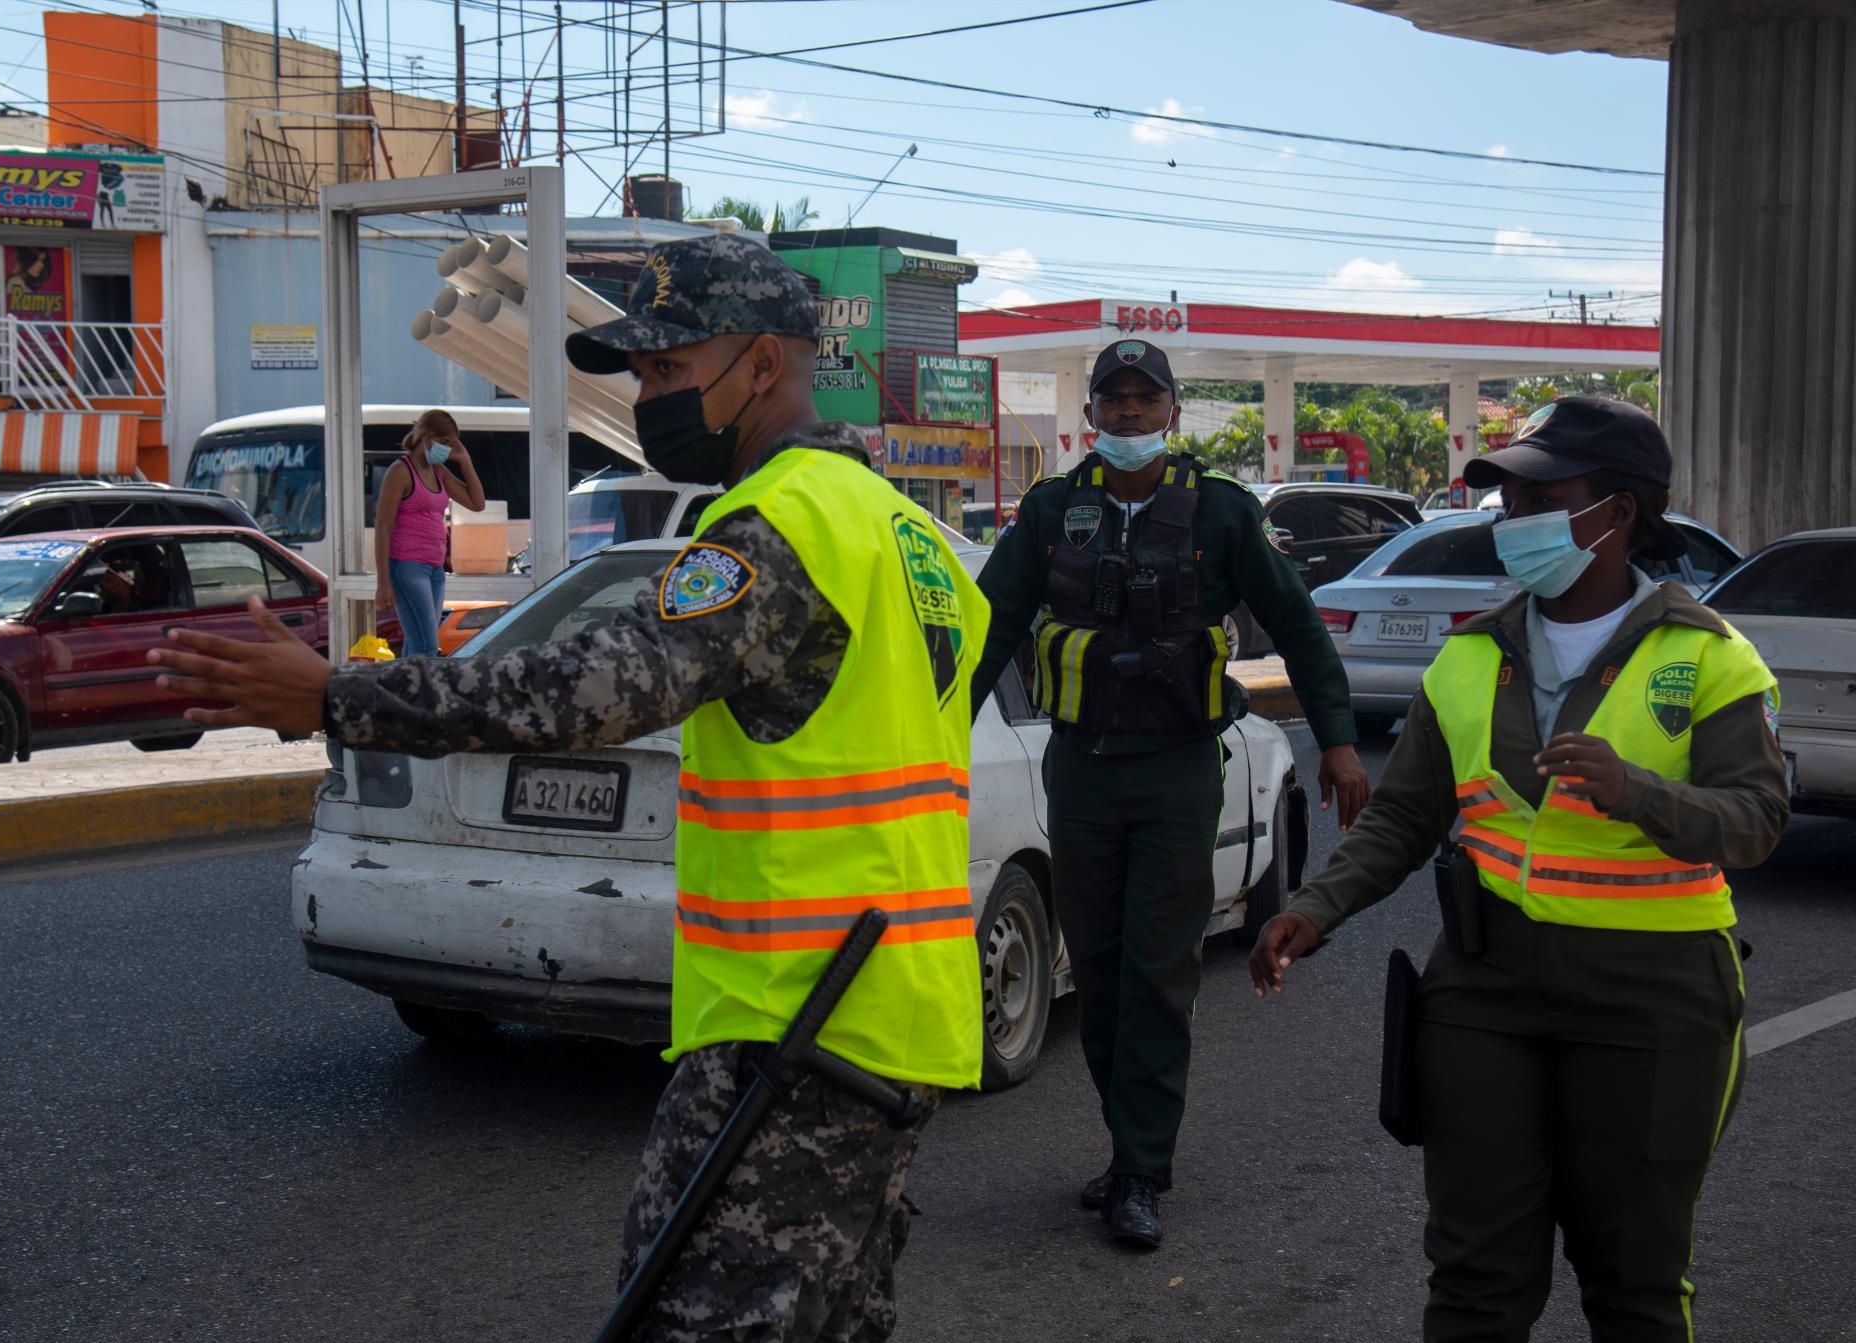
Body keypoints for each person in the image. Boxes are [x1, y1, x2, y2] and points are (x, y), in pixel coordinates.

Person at [147, 233, 988, 1342]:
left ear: (764, 363)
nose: (647, 398)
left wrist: (340, 695)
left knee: (687, 1314)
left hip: (797, 1025)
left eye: (668, 370)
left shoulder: (778, 528)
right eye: (638, 375)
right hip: (894, 1005)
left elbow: (591, 686)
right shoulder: (909, 537)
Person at [1250, 397, 1788, 1341]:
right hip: (1487, 990)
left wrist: (1637, 792)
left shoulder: (1710, 658)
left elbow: (1753, 822)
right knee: (1474, 1282)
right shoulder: (1469, 655)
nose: (1514, 521)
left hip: (1654, 1001)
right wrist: (1316, 907)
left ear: (1617, 514)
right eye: (1509, 502)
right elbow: (1408, 815)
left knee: (1636, 1286)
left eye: (1542, 497)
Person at [971, 338, 1371, 1249]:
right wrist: (932, 734)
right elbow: (989, 627)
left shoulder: (1221, 513)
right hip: (1079, 773)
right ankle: (1127, 1149)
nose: (1127, 416)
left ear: (1173, 414)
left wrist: (1340, 744)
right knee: (1101, 974)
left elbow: (1301, 630)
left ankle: (1143, 1168)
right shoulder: (1050, 511)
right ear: (1092, 417)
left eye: (1145, 401)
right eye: (1113, 401)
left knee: (1158, 971)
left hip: (1178, 773)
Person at [373, 409, 486, 657]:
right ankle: (423, 694)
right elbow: (383, 527)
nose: (448, 449)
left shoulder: (438, 472)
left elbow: (477, 503)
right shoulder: (400, 471)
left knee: (416, 645)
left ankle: (404, 691)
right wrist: (383, 583)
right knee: (427, 645)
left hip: (434, 568)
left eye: (451, 443)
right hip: (407, 566)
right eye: (444, 443)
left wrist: (465, 460)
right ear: (426, 437)